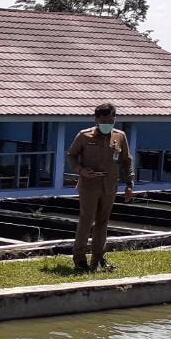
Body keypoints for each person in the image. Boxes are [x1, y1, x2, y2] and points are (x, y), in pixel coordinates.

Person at [67, 101, 135, 272]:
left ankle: (98, 259)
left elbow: (127, 161)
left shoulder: (119, 136)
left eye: (110, 121)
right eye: (103, 121)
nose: (107, 124)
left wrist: (129, 184)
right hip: (89, 185)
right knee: (86, 221)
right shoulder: (84, 136)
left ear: (114, 119)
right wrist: (82, 170)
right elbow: (72, 156)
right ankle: (79, 259)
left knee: (103, 223)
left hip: (109, 186)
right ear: (96, 119)